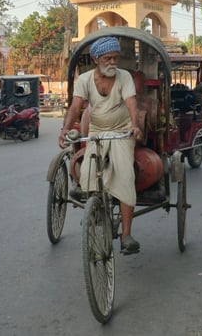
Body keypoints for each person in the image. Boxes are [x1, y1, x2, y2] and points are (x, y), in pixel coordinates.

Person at [59, 36, 144, 255]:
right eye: (108, 58)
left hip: (122, 131)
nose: (113, 62)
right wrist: (65, 129)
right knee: (87, 173)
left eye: (116, 58)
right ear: (96, 59)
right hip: (97, 131)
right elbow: (75, 106)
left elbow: (132, 103)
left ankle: (126, 235)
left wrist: (135, 125)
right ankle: (95, 211)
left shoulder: (124, 77)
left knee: (125, 176)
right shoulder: (85, 80)